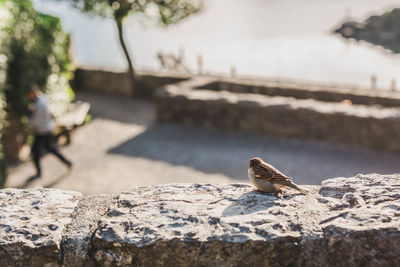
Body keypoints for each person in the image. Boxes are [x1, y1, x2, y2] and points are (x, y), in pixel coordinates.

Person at [27, 85, 72, 178]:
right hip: (48, 128)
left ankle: (39, 173)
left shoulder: (39, 105)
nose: (28, 97)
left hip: (41, 131)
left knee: (36, 153)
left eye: (29, 94)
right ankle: (67, 162)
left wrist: (29, 118)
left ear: (32, 93)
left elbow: (36, 122)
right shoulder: (43, 98)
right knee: (51, 148)